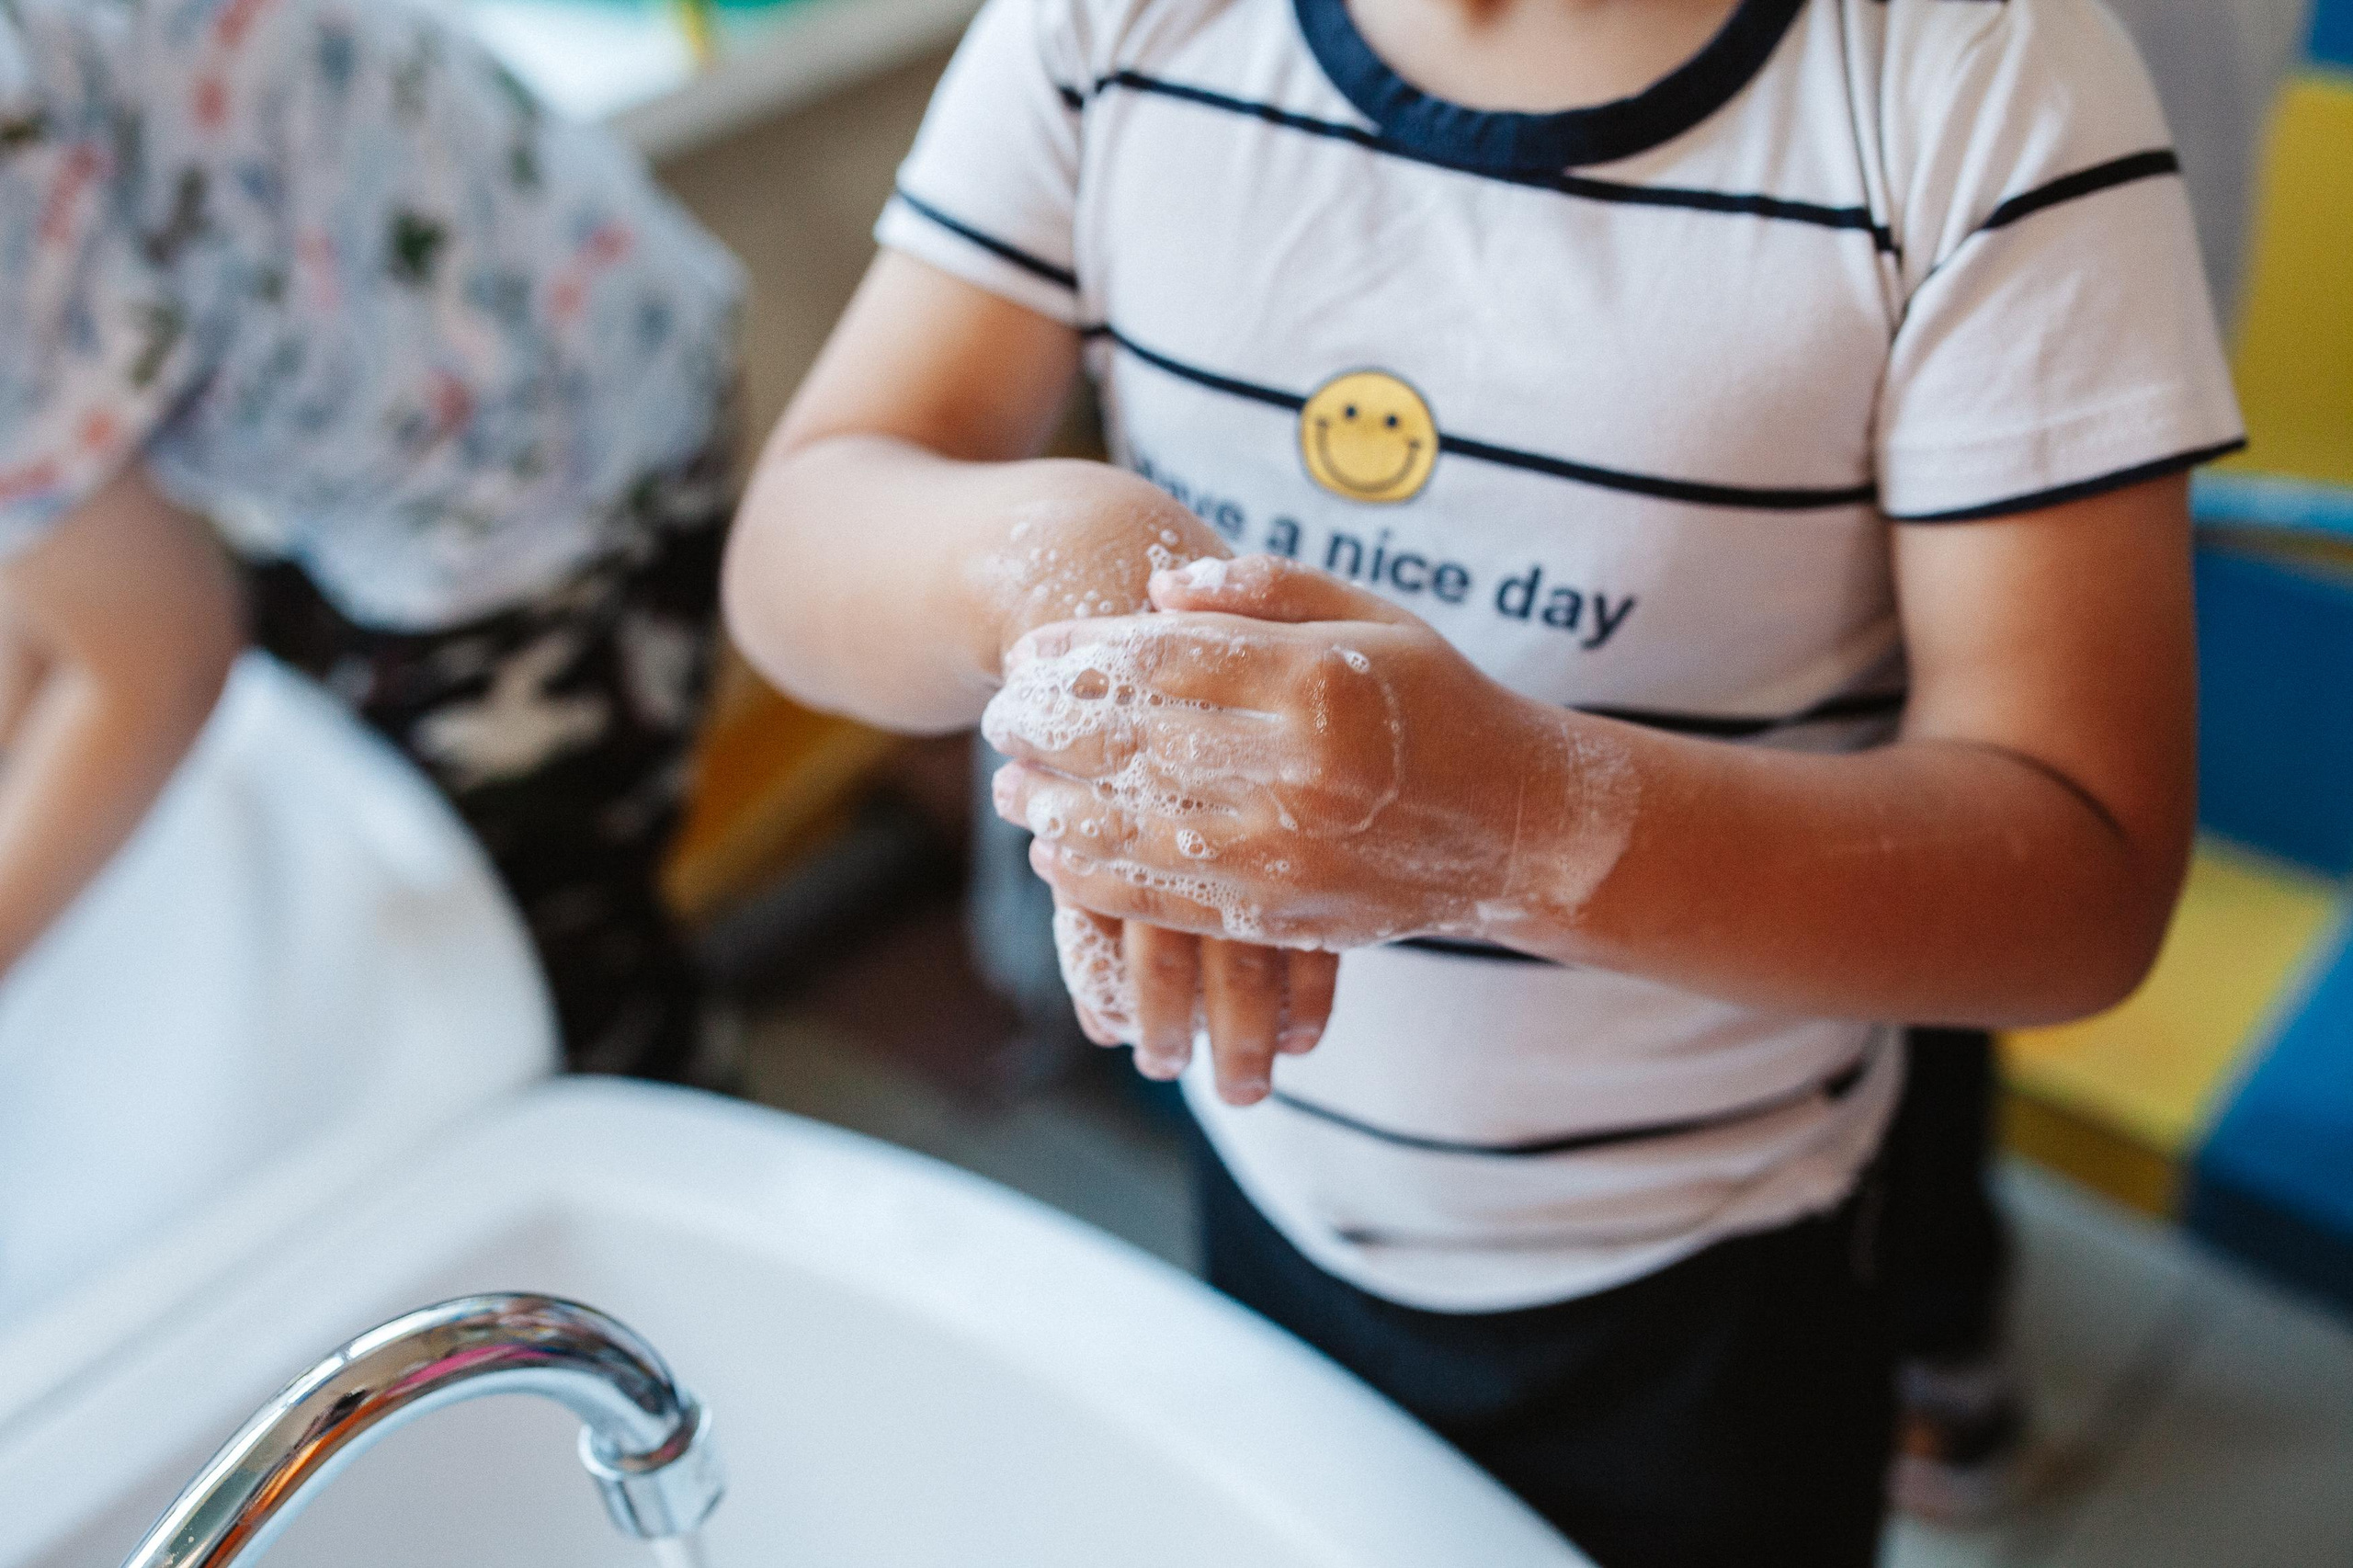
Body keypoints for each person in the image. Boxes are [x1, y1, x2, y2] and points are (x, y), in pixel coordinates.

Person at [722, 0, 2239, 1559]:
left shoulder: (1980, 83)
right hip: (1265, 1177)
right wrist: (1050, 568)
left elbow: (2084, 873)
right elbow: (794, 550)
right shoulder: (1114, 26)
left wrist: (1526, 818)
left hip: (1715, 1265)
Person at [0, 0, 743, 1078]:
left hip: (529, 464)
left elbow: (157, 664)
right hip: (520, 290)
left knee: (533, 997)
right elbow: (59, 569)